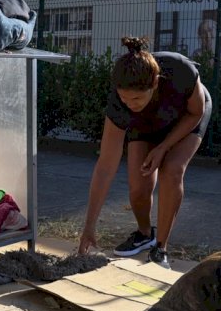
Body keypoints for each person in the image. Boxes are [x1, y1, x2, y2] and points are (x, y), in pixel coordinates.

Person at [77, 36, 212, 268]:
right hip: (146, 123)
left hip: (187, 117)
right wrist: (88, 227)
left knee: (172, 169)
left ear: (155, 83)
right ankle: (144, 233)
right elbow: (105, 167)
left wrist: (163, 147)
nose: (130, 103)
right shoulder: (121, 105)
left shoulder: (180, 70)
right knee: (138, 185)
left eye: (137, 97)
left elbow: (196, 112)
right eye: (124, 98)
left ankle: (160, 250)